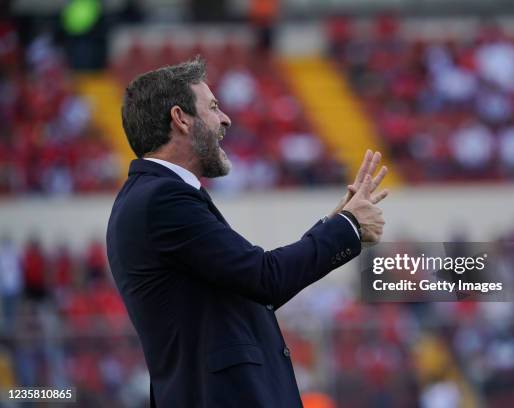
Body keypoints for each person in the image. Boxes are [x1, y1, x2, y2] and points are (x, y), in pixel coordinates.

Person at [106, 57, 388, 407]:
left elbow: (249, 286)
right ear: (180, 118)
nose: (224, 118)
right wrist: (348, 227)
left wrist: (339, 222)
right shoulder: (162, 199)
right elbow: (264, 278)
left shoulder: (152, 197)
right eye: (212, 106)